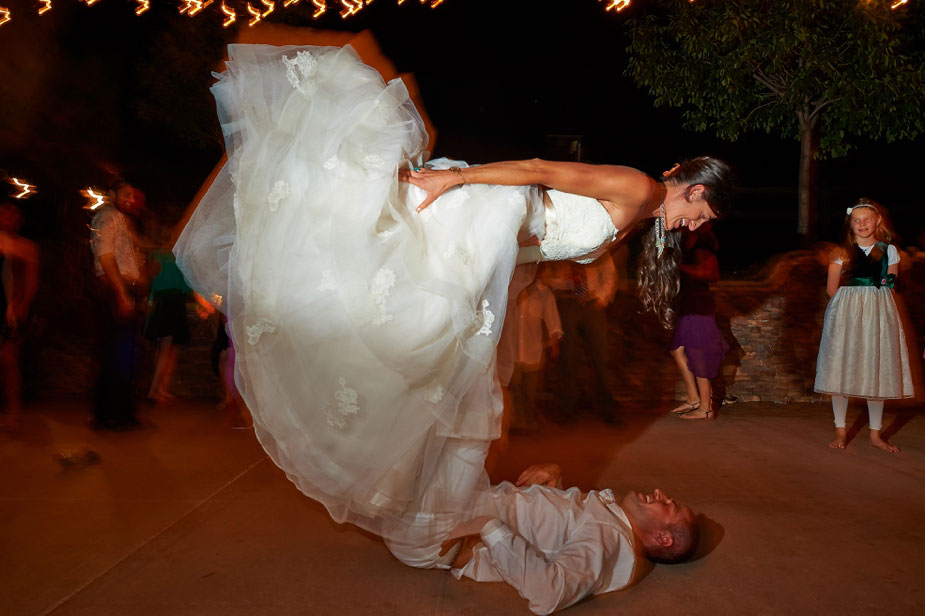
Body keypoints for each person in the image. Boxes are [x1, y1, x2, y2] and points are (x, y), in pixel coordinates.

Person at [173, 44, 732, 558]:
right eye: (700, 216)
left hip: (489, 254)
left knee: (447, 382)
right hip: (474, 220)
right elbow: (538, 172)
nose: (691, 226)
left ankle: (429, 521)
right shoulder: (637, 187)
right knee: (398, 322)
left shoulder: (639, 218)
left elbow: (555, 244)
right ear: (697, 190)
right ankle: (428, 519)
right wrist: (456, 180)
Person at [426, 463, 700, 615]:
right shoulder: (610, 523)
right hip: (461, 502)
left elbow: (548, 594)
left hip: (444, 529)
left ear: (663, 537)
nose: (659, 492)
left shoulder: (609, 536)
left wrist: (486, 526)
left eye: (668, 505)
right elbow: (558, 530)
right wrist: (555, 477)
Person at [814, 199, 914, 453]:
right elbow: (831, 287)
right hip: (846, 310)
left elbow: (891, 281)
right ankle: (840, 427)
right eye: (856, 220)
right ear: (851, 223)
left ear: (877, 221)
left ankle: (875, 434)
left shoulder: (888, 250)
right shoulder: (841, 252)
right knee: (841, 365)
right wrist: (845, 309)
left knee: (875, 367)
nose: (862, 224)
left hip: (877, 312)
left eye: (867, 219)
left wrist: (883, 282)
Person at [89, 179, 146, 430]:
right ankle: (111, 415)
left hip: (122, 291)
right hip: (114, 292)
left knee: (123, 356)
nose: (131, 200)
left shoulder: (123, 220)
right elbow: (105, 256)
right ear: (112, 194)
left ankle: (117, 413)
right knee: (117, 356)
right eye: (127, 194)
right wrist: (122, 292)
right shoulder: (108, 216)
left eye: (134, 196)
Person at [667, 224, 729, 420]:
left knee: (699, 353)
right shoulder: (687, 244)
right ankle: (694, 398)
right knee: (677, 349)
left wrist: (679, 266)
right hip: (689, 303)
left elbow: (711, 274)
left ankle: (705, 408)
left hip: (699, 305)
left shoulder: (702, 247)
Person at [0, 202, 40, 429]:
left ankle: (13, 409)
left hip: (11, 310)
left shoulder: (26, 247)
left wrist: (22, 306)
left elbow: (30, 282)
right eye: (5, 213)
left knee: (8, 360)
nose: (9, 218)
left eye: (14, 215)